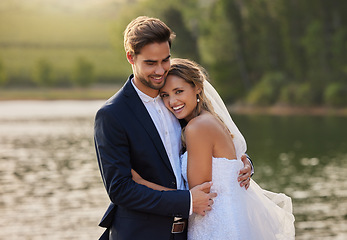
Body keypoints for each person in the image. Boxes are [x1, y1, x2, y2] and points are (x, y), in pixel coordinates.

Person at [94, 16, 253, 240]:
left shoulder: (177, 102)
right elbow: (120, 189)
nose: (160, 70)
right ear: (131, 57)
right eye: (150, 63)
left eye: (165, 60)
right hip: (141, 234)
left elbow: (215, 146)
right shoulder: (112, 115)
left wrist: (243, 164)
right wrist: (186, 201)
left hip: (190, 230)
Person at [133, 58, 295, 239]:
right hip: (225, 221)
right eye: (165, 95)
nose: (172, 101)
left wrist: (141, 182)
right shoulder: (208, 119)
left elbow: (197, 195)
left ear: (197, 88)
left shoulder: (197, 127)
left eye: (179, 91)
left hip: (214, 226)